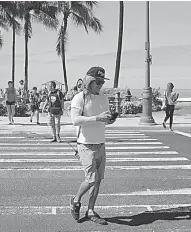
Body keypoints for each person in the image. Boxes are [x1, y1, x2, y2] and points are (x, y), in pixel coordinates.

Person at [70, 66, 116, 225]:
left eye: (102, 82)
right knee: (91, 179)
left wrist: (109, 119)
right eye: (98, 81)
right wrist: (97, 118)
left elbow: (105, 119)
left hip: (100, 144)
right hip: (85, 144)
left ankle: (91, 210)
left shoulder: (103, 97)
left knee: (98, 181)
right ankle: (75, 200)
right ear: (89, 81)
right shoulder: (79, 98)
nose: (101, 84)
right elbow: (75, 120)